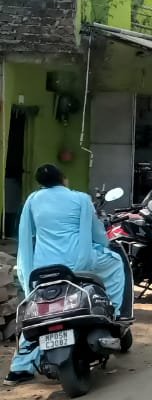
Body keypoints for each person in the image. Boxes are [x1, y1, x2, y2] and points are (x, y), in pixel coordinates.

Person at [5, 165, 129, 386]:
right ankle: (116, 314)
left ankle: (19, 368)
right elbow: (96, 232)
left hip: (42, 265)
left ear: (41, 182)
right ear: (64, 178)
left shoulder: (33, 200)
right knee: (116, 263)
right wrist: (105, 244)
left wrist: (27, 268)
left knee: (36, 309)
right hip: (79, 262)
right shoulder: (80, 199)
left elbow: (25, 234)